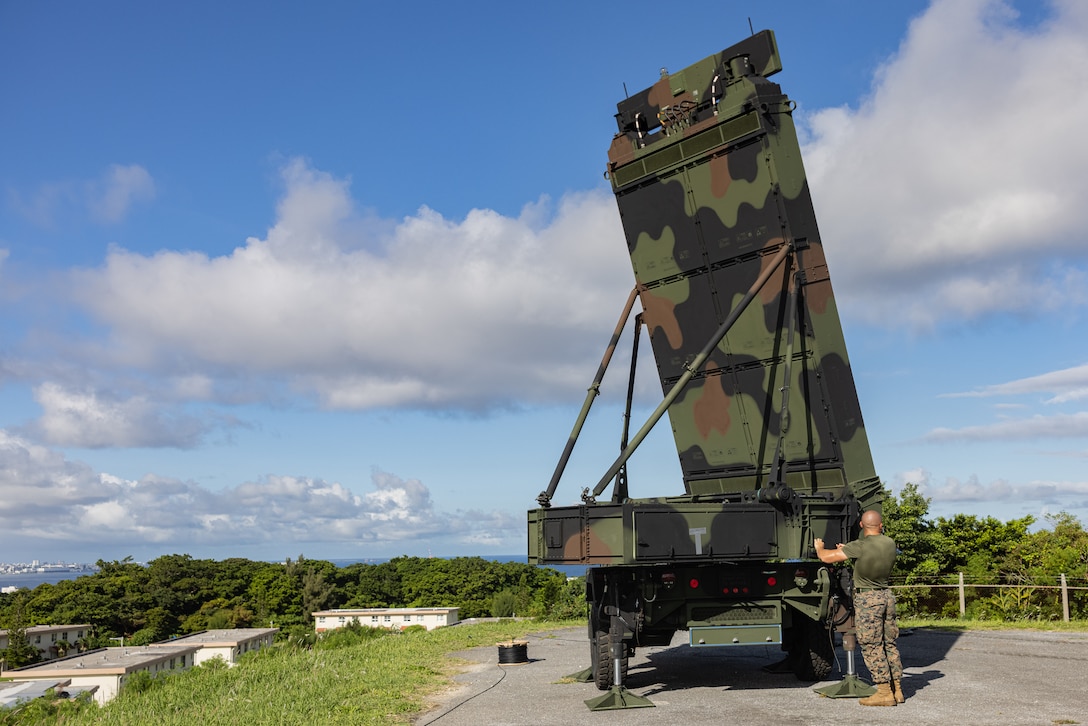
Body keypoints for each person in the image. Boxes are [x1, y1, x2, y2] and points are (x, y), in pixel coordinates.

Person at [814, 509, 904, 706]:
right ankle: (897, 690)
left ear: (862, 526)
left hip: (869, 600)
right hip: (886, 596)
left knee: (872, 645)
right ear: (881, 525)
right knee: (889, 643)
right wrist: (849, 549)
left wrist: (820, 548)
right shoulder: (889, 543)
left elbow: (828, 558)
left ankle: (884, 693)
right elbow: (869, 552)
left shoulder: (859, 545)